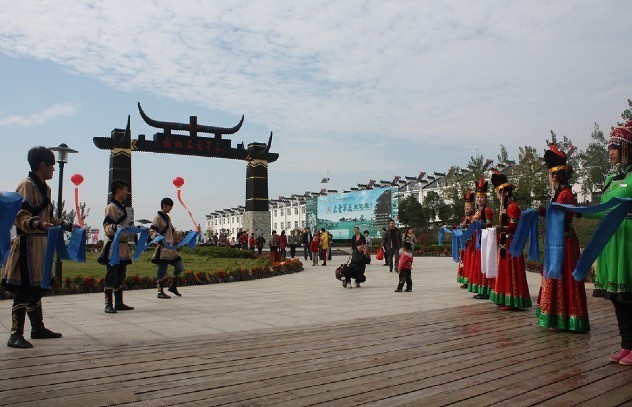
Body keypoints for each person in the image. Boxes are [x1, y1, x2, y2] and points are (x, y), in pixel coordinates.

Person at [2, 147, 73, 348]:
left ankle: (37, 328)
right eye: (52, 166)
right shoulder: (26, 185)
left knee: (38, 288)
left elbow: (49, 218)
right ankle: (15, 334)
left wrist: (67, 225)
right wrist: (37, 224)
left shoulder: (46, 189)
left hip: (42, 245)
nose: (53, 171)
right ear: (43, 165)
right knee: (24, 289)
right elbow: (20, 215)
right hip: (27, 244)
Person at [585, 122, 632, 364]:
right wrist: (576, 211)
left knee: (631, 294)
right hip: (612, 240)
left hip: (629, 242)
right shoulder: (613, 178)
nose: (611, 151)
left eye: (615, 146)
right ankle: (627, 344)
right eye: (610, 147)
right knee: (618, 296)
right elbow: (601, 210)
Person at [537, 142, 590, 332]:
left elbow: (561, 217)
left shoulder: (565, 195)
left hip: (564, 241)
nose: (551, 178)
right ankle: (558, 316)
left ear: (557, 175)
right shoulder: (560, 193)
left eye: (552, 175)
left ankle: (567, 317)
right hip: (558, 240)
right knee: (557, 276)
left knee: (563, 276)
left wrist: (544, 211)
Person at [489, 170, 531, 310]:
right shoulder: (505, 207)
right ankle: (505, 297)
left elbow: (514, 226)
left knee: (511, 270)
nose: (498, 196)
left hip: (511, 243)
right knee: (504, 270)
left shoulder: (512, 207)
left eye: (498, 193)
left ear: (505, 193)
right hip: (504, 243)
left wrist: (501, 229)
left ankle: (513, 299)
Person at [98, 179, 135, 314]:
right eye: (125, 189)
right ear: (118, 190)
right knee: (111, 275)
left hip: (123, 247)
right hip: (113, 246)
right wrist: (114, 227)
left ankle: (119, 302)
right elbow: (107, 226)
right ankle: (108, 304)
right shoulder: (112, 207)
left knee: (120, 276)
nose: (127, 193)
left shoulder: (122, 207)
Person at [150, 197, 186, 299]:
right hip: (163, 248)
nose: (171, 209)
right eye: (170, 206)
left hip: (171, 248)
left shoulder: (168, 218)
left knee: (179, 267)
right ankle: (160, 291)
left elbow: (173, 232)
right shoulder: (157, 218)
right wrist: (159, 239)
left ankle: (173, 286)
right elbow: (153, 232)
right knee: (162, 270)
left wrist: (185, 233)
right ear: (164, 206)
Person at [468, 175, 495, 299]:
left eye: (482, 197)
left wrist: (480, 224)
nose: (479, 199)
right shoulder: (475, 212)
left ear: (486, 198)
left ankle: (486, 290)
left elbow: (489, 225)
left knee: (484, 264)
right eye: (478, 197)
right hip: (476, 240)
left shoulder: (487, 210)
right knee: (478, 265)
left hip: (484, 241)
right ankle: (480, 288)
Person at [458, 190, 475, 289]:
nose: (467, 208)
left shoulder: (473, 217)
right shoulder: (465, 217)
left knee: (469, 260)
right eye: (466, 207)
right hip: (464, 243)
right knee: (463, 260)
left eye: (469, 207)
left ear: (472, 207)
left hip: (471, 242)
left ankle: (470, 280)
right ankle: (464, 279)